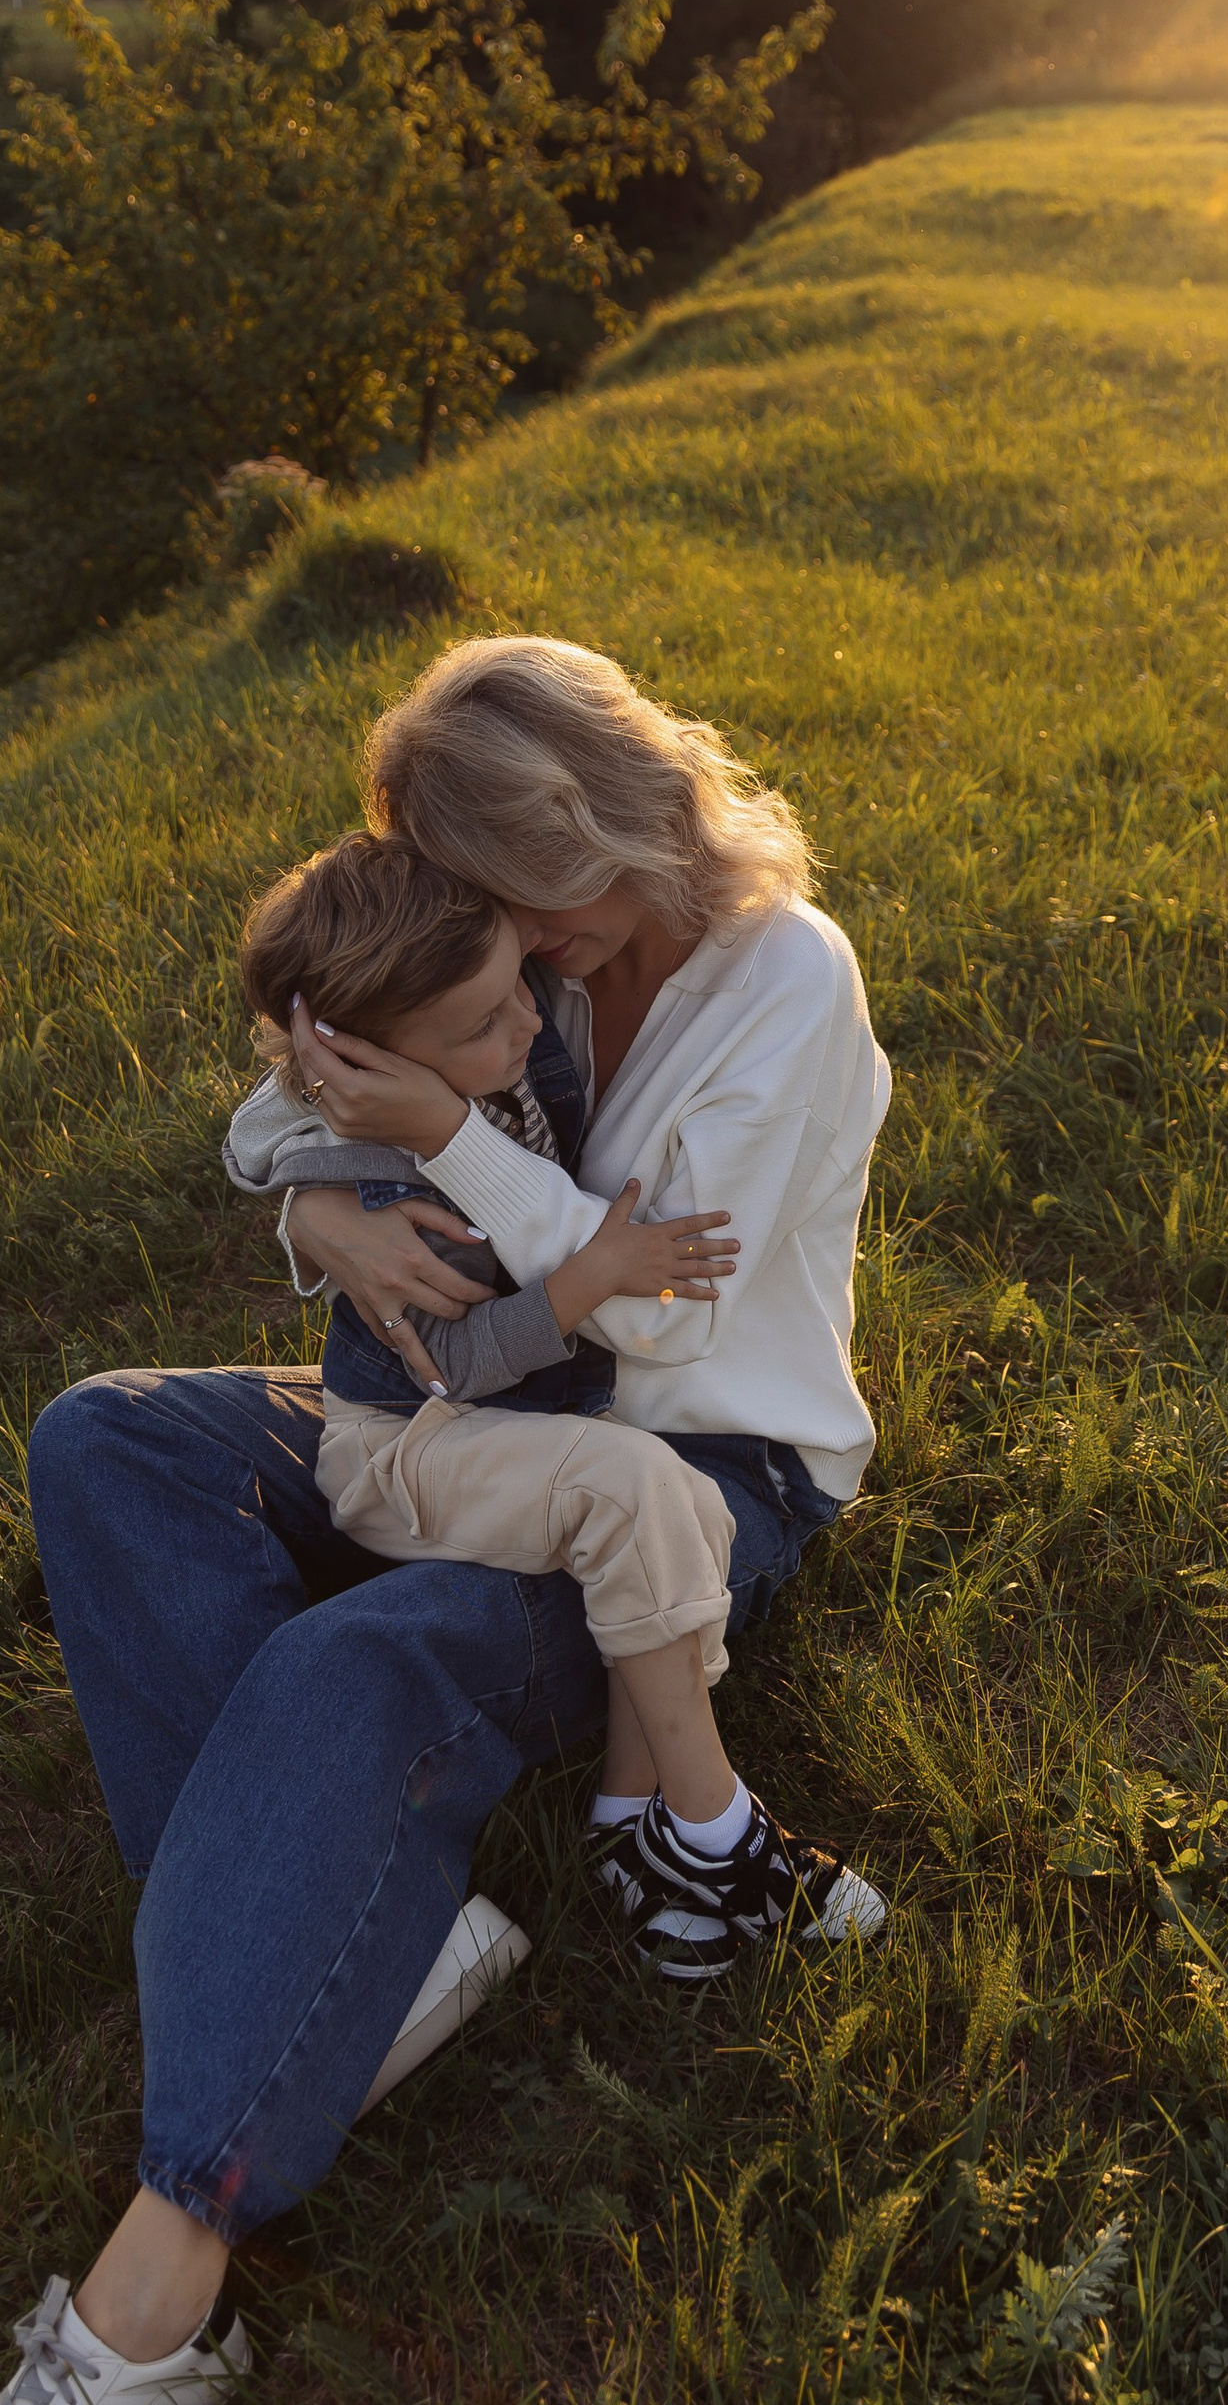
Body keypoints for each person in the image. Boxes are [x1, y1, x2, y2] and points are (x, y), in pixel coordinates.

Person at [0, 636, 892, 2404]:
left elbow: (661, 1319)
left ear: (612, 827)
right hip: (473, 1411)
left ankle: (158, 2280)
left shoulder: (783, 984)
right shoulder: (525, 950)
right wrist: (307, 1215)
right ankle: (383, 1953)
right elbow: (309, 1080)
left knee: (361, 1658)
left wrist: (451, 1148)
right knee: (106, 1443)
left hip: (696, 1472)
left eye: (521, 905)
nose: (507, 951)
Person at [225, 828, 883, 1972]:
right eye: (486, 1024)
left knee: (649, 1486)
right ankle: (717, 1828)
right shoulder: (378, 1159)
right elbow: (457, 1364)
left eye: (518, 991)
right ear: (373, 1065)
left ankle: (632, 1830)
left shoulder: (495, 1018)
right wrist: (589, 1275)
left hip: (524, 1423)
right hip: (413, 1442)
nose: (530, 1022)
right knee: (631, 1484)